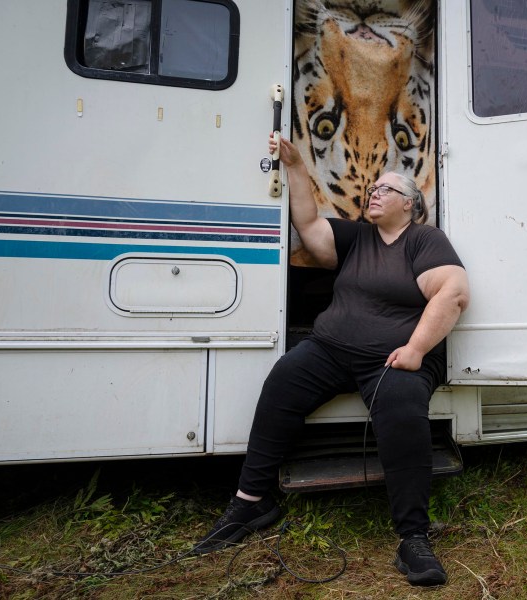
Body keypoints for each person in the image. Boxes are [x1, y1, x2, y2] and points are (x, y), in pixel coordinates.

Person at [195, 135, 469, 587]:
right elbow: (306, 221)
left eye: (386, 190)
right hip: (331, 348)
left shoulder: (425, 240)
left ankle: (413, 538)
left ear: (411, 204)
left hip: (394, 359)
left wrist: (416, 351)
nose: (373, 194)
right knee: (282, 381)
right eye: (372, 189)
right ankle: (251, 503)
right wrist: (298, 166)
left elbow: (453, 293)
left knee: (403, 411)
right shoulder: (356, 237)